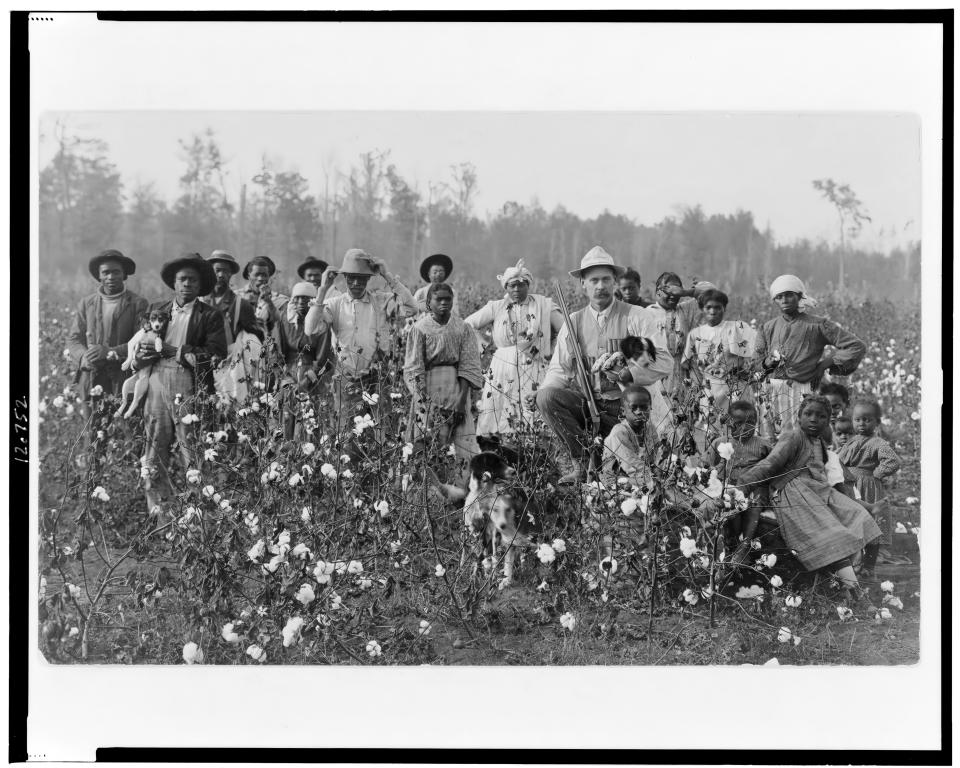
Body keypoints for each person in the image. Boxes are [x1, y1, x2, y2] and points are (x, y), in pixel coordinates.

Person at [533, 246, 672, 483]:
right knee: (546, 398)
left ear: (615, 282)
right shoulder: (572, 323)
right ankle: (582, 461)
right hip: (591, 407)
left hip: (632, 410)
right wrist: (542, 391)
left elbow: (665, 361)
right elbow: (559, 369)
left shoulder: (637, 316)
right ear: (583, 285)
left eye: (606, 279)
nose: (601, 286)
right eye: (594, 280)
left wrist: (630, 372)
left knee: (644, 469)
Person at [735, 395, 882, 598]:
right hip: (795, 494)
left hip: (820, 492)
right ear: (799, 417)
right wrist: (742, 486)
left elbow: (827, 474)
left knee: (860, 516)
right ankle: (854, 593)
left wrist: (846, 498)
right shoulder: (793, 437)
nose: (814, 419)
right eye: (808, 414)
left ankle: (848, 581)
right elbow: (769, 465)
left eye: (821, 416)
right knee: (833, 535)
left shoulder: (819, 442)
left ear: (827, 420)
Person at [134, 254, 227, 512]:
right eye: (182, 279)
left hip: (189, 382)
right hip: (155, 381)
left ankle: (197, 513)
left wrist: (176, 351)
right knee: (154, 444)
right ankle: (159, 511)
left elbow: (217, 354)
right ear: (174, 283)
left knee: (191, 448)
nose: (187, 284)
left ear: (200, 286)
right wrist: (141, 356)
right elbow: (141, 342)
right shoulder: (158, 309)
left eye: (193, 280)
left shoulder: (210, 316)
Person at [304, 248, 417, 419]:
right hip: (346, 377)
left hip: (377, 376)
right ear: (345, 278)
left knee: (380, 430)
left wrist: (387, 276)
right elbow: (310, 329)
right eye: (352, 278)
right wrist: (322, 290)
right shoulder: (334, 304)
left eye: (362, 279)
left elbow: (411, 309)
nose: (356, 283)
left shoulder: (381, 301)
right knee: (348, 433)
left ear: (369, 279)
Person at [463, 259, 563, 445]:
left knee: (532, 411)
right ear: (506, 287)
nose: (516, 290)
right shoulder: (496, 306)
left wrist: (551, 346)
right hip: (502, 366)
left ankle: (535, 456)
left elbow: (565, 329)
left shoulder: (543, 305)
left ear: (528, 284)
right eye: (512, 286)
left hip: (534, 362)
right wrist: (483, 343)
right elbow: (468, 324)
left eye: (521, 285)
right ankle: (498, 452)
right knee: (499, 413)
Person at [755, 275, 866, 439]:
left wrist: (824, 365)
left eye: (789, 295)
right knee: (769, 439)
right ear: (775, 300)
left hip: (803, 389)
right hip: (771, 390)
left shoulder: (817, 325)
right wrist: (767, 363)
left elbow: (856, 346)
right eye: (779, 297)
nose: (784, 300)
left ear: (799, 296)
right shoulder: (767, 327)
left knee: (801, 438)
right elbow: (755, 362)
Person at [67, 249, 149, 463]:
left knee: (130, 427)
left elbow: (141, 341)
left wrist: (111, 352)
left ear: (124, 275)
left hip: (123, 376)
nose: (111, 277)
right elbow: (74, 339)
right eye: (106, 273)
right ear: (99, 275)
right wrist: (84, 356)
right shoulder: (87, 303)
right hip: (92, 376)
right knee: (93, 430)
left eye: (116, 272)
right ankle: (94, 481)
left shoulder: (138, 304)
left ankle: (132, 481)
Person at [404, 283, 483, 462]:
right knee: (428, 440)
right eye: (438, 299)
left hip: (456, 388)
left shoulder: (462, 328)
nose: (443, 303)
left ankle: (463, 487)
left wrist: (461, 402)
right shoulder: (420, 328)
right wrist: (426, 405)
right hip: (428, 389)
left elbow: (468, 365)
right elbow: (413, 368)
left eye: (447, 299)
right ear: (429, 303)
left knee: (462, 444)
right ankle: (429, 487)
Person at [681, 288, 757, 443]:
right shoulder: (696, 334)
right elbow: (691, 365)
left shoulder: (736, 328)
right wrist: (696, 392)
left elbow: (750, 354)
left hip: (735, 387)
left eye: (717, 307)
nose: (713, 311)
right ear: (702, 309)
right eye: (708, 307)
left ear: (724, 308)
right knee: (711, 428)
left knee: (738, 425)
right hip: (710, 390)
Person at [703, 400, 771, 564]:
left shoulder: (762, 444)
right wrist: (711, 474)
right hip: (729, 484)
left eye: (750, 423)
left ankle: (746, 543)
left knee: (754, 503)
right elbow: (706, 465)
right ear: (729, 423)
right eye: (739, 423)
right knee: (728, 504)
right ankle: (731, 541)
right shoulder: (720, 443)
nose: (745, 428)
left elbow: (774, 465)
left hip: (754, 485)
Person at [837, 398, 902, 564]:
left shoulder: (878, 442)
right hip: (849, 485)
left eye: (867, 420)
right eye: (857, 420)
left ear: (877, 422)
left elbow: (893, 461)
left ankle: (869, 563)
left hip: (867, 485)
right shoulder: (851, 441)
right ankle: (853, 560)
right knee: (850, 521)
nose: (862, 423)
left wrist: (877, 474)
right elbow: (839, 459)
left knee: (871, 523)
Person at [642, 271, 718, 393]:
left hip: (684, 379)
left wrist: (687, 292)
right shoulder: (645, 315)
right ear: (657, 292)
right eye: (668, 290)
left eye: (677, 290)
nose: (673, 294)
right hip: (656, 381)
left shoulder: (685, 310)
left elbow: (713, 293)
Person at [276, 282, 329, 439]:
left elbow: (324, 361)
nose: (300, 303)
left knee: (307, 421)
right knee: (286, 418)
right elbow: (277, 353)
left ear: (313, 301)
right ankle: (284, 459)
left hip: (312, 378)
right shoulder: (285, 321)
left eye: (305, 299)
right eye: (297, 299)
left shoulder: (321, 325)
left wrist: (308, 380)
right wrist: (285, 379)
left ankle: (305, 460)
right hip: (288, 375)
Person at [600, 385, 661, 487]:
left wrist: (658, 470)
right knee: (657, 484)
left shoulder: (649, 427)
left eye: (644, 407)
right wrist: (655, 479)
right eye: (633, 408)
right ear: (623, 411)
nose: (639, 412)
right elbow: (633, 466)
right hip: (617, 479)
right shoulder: (619, 432)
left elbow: (657, 455)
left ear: (650, 408)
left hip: (643, 474)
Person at [203, 250, 263, 345]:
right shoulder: (199, 301)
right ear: (210, 271)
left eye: (225, 271)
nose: (221, 275)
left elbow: (256, 339)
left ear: (231, 274)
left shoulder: (241, 305)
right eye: (217, 270)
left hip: (229, 357)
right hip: (200, 357)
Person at [238, 256, 289, 345]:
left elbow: (282, 324)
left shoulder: (280, 300)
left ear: (269, 277)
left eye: (264, 275)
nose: (261, 278)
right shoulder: (237, 297)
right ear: (249, 276)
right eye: (257, 274)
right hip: (242, 347)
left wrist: (268, 302)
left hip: (269, 348)